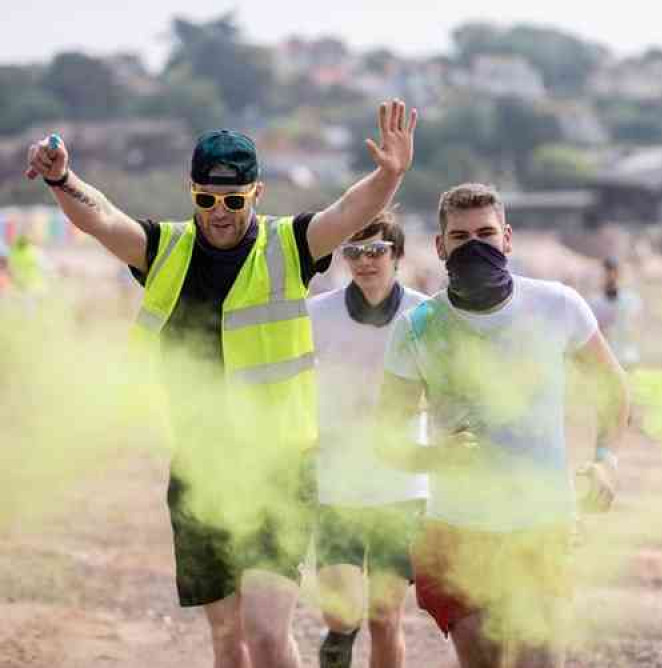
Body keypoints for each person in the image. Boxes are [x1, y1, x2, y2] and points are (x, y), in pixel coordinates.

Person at [25, 99, 417, 668]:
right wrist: (63, 178)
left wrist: (390, 174)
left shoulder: (290, 245)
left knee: (263, 632)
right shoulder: (166, 249)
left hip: (278, 468)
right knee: (227, 640)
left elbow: (348, 213)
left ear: (255, 193)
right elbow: (102, 218)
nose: (220, 212)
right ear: (192, 192)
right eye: (207, 199)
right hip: (201, 468)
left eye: (233, 199)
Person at [375, 183, 630, 668]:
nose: (475, 246)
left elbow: (613, 389)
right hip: (457, 531)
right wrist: (434, 457)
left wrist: (605, 462)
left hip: (541, 524)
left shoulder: (557, 306)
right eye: (461, 236)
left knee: (539, 659)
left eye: (486, 234)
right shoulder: (418, 326)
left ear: (507, 239)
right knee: (485, 659)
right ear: (440, 246)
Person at [306, 208, 427, 668]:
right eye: (354, 251)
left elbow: (451, 386)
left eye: (375, 250)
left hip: (403, 485)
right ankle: (340, 638)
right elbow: (291, 383)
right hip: (337, 483)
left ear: (396, 254)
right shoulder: (318, 313)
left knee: (385, 615)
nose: (365, 260)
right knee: (342, 614)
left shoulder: (424, 315)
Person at [588, 256, 642, 370]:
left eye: (614, 273)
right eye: (607, 273)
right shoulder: (595, 303)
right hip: (606, 359)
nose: (610, 277)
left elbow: (635, 327)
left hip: (627, 358)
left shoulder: (631, 300)